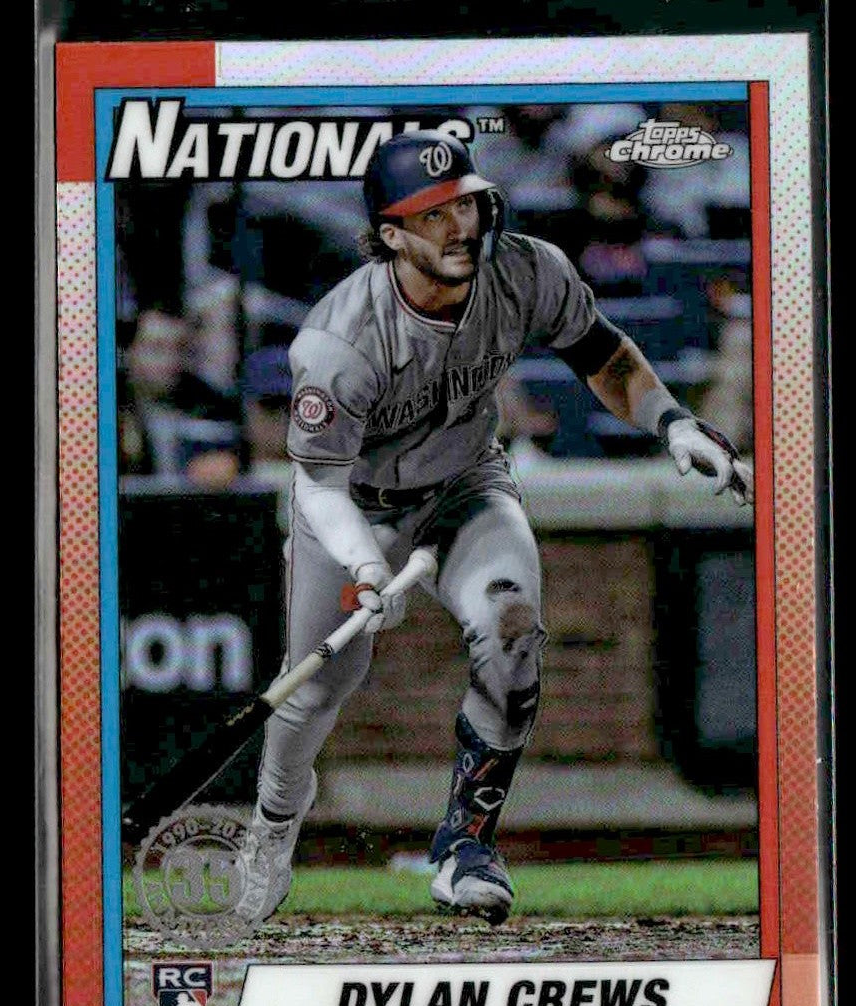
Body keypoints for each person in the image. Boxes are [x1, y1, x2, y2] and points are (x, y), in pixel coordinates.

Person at [240, 130, 753, 926]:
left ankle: (464, 848)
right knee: (313, 689)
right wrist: (365, 565)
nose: (459, 227)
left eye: (466, 204)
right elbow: (318, 483)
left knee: (512, 629)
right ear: (390, 236)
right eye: (432, 214)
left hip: (464, 484)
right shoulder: (339, 338)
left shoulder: (523, 268)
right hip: (355, 508)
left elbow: (601, 353)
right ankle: (273, 826)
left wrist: (673, 423)